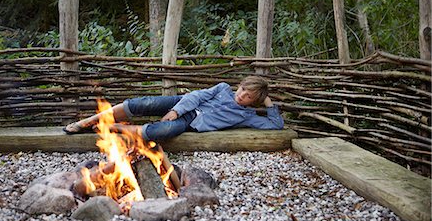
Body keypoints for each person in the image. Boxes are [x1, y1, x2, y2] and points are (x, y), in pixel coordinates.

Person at [63, 76, 284, 142]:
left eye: (248, 96)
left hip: (191, 124)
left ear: (253, 102)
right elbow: (196, 96)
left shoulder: (247, 116)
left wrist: (267, 101)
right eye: (243, 88)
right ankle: (88, 121)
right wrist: (176, 110)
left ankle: (115, 128)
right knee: (142, 104)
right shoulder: (223, 89)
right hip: (183, 104)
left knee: (164, 132)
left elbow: (276, 125)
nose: (242, 95)